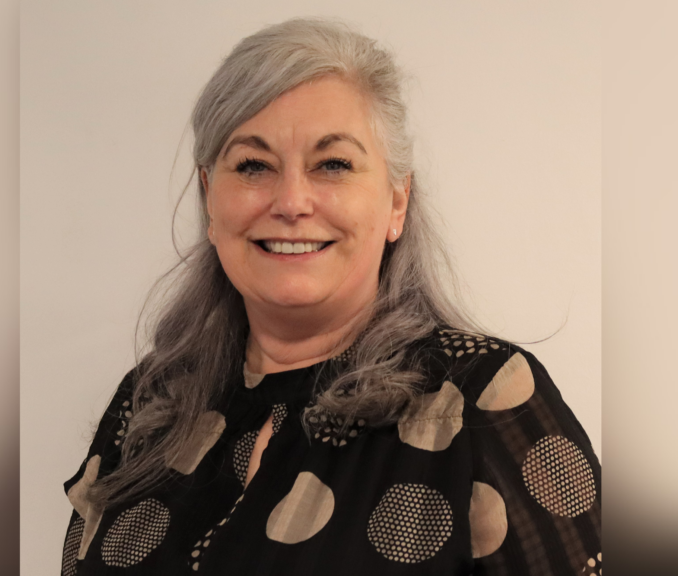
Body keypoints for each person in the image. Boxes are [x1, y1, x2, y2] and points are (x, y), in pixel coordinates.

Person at [60, 17, 600, 576]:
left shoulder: (482, 401)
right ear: (209, 199)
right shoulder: (150, 401)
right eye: (253, 166)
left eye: (333, 164)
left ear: (397, 200)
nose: (291, 201)